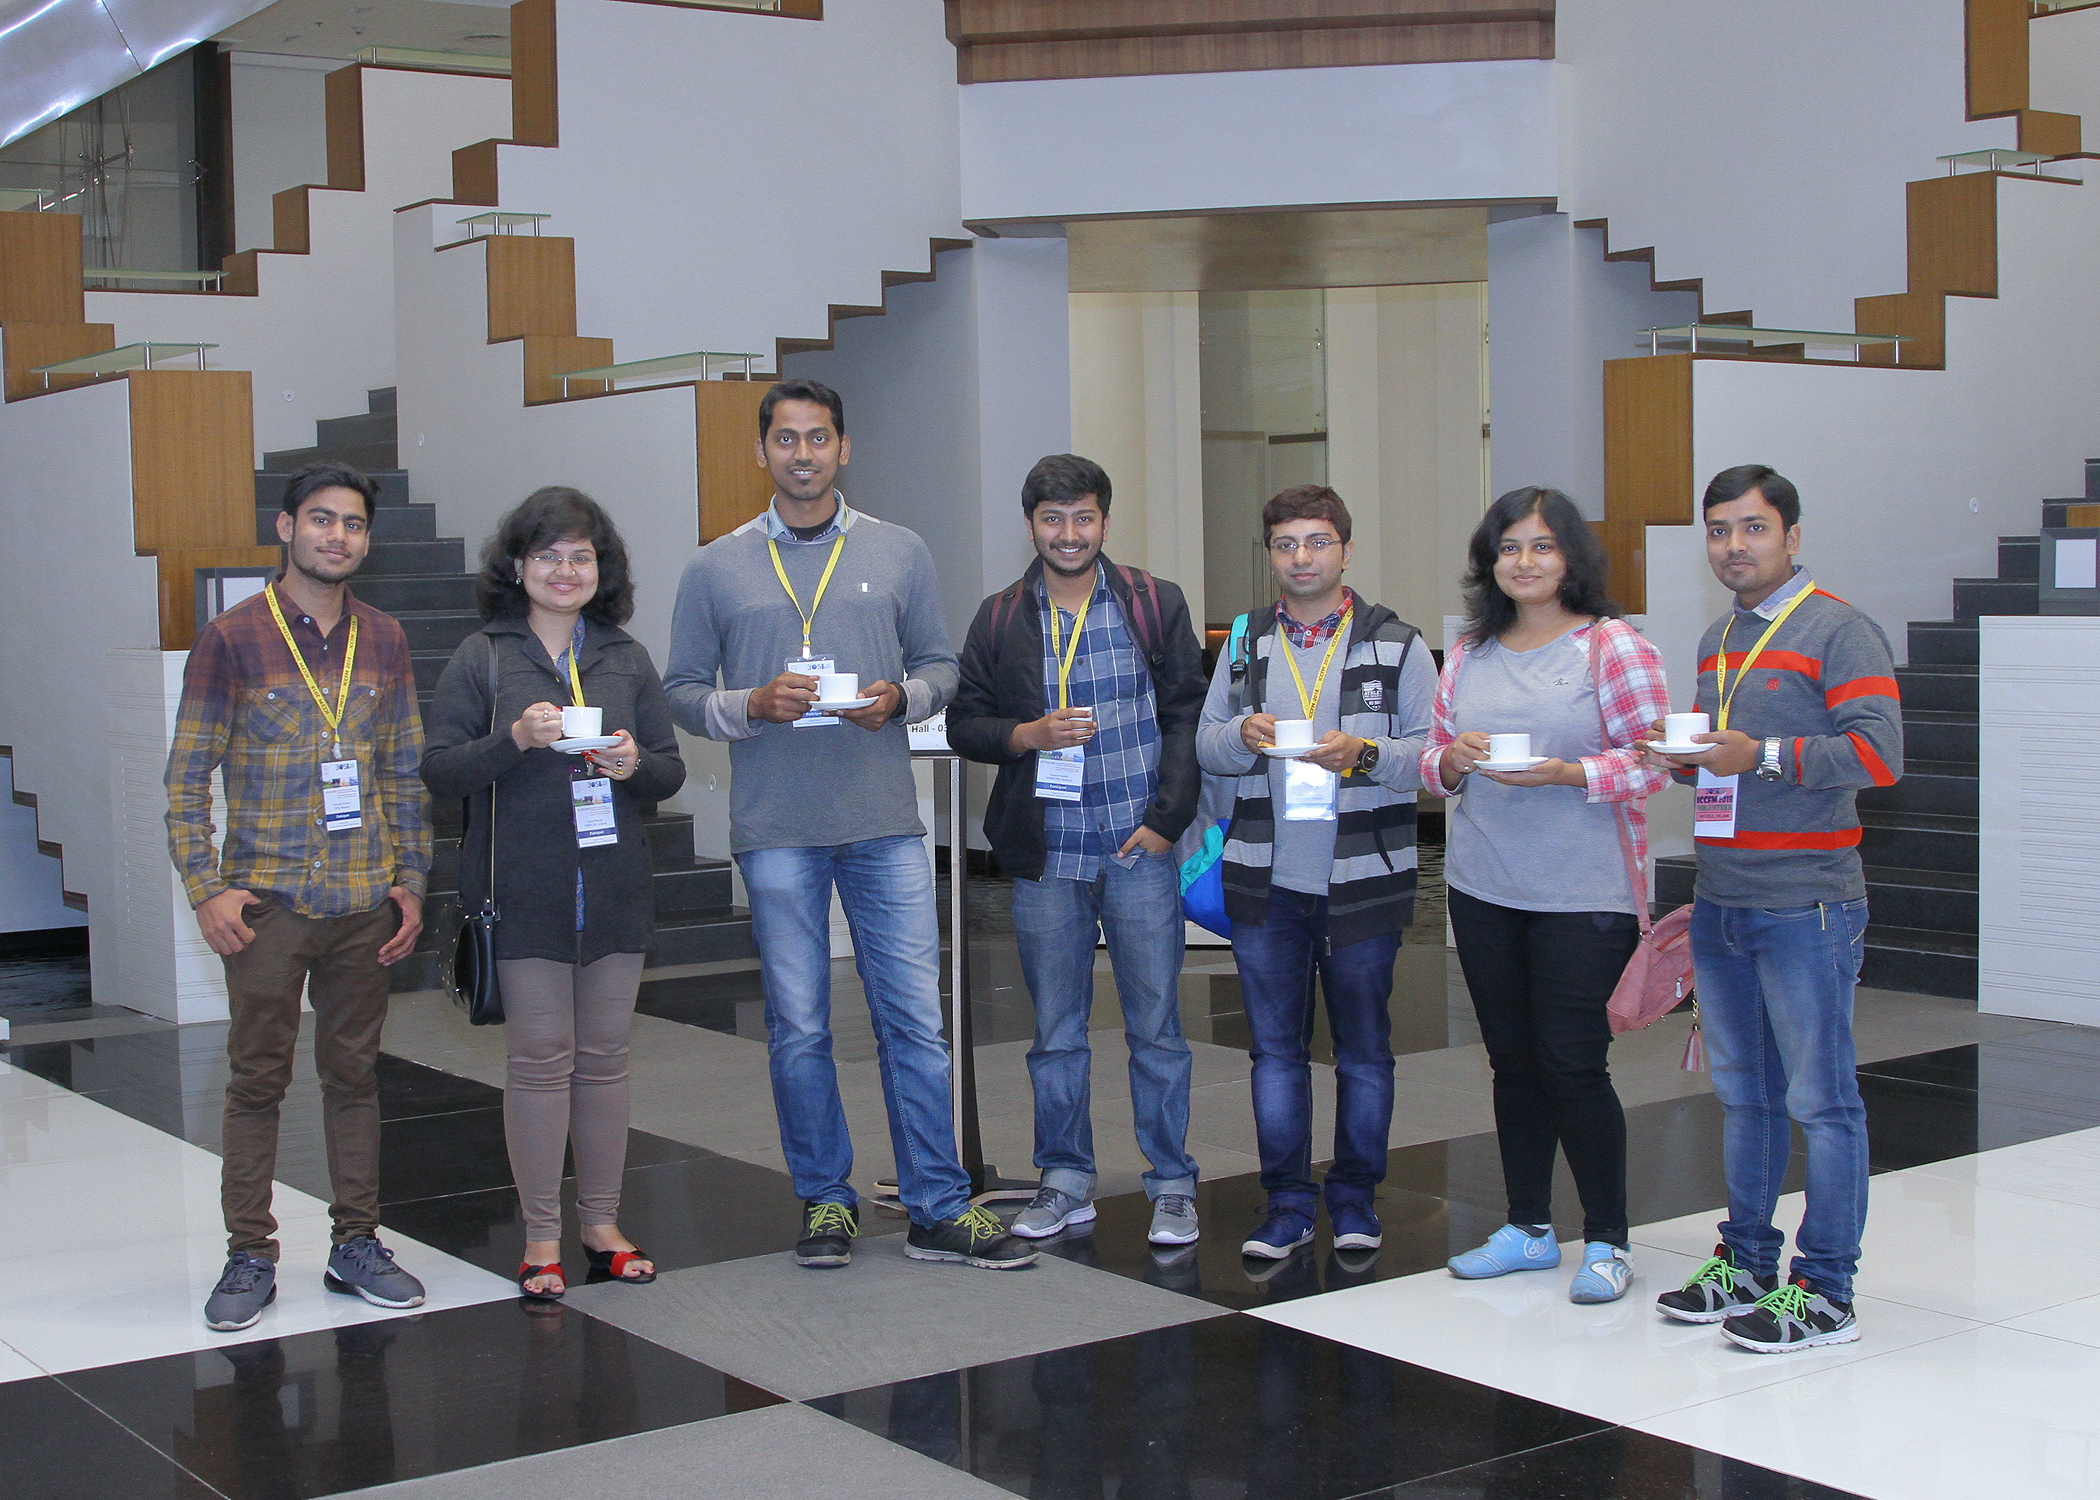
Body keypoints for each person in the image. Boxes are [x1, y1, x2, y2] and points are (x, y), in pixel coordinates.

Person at [663, 377, 1035, 1272]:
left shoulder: (899, 551)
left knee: (914, 1021)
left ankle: (938, 1203)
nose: (803, 454)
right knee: (799, 1027)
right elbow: (679, 691)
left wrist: (901, 699)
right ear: (762, 451)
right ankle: (825, 1199)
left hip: (882, 822)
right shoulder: (715, 566)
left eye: (819, 437)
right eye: (786, 439)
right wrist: (750, 705)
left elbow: (941, 665)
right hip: (775, 828)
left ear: (843, 447)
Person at [167, 461, 431, 1332]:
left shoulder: (384, 639)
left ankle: (357, 1244)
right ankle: (250, 1254)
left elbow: (403, 772)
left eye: (352, 524)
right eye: (321, 520)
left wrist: (411, 882)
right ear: (285, 528)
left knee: (354, 1077)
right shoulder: (232, 638)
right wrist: (207, 889)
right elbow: (185, 779)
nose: (336, 537)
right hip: (268, 908)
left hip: (363, 904)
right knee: (257, 1081)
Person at [1648, 464, 1901, 1352]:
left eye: (1753, 528)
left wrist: (1757, 754)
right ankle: (1748, 1263)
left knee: (1822, 1103)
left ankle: (1827, 1290)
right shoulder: (1718, 638)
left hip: (1806, 904)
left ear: (1791, 536)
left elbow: (1879, 755)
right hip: (1723, 900)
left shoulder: (1841, 629)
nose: (1734, 546)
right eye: (1719, 530)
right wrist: (1685, 760)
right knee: (1744, 1097)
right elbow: (1724, 763)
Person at [422, 487, 685, 1300]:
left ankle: (601, 1224)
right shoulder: (484, 656)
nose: (565, 571)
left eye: (581, 556)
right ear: (516, 566)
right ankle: (541, 1236)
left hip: (612, 891)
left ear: (601, 568)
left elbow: (669, 770)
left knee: (604, 1061)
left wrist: (633, 764)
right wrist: (514, 739)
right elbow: (439, 770)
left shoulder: (625, 657)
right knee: (539, 1060)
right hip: (520, 893)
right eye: (547, 556)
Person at [947, 454, 1207, 1246]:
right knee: (1056, 1033)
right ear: (1031, 525)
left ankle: (1172, 1184)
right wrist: (1027, 734)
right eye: (1053, 519)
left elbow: (1187, 714)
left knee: (1156, 1028)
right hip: (1048, 856)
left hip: (1138, 848)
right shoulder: (1001, 616)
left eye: (1083, 517)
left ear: (1104, 521)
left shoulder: (1153, 602)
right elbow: (965, 723)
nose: (1069, 533)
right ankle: (1065, 1179)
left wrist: (1167, 820)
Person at [1420, 487, 1670, 1304]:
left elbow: (1654, 762)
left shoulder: (1613, 647)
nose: (1524, 562)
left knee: (1572, 1063)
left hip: (1584, 892)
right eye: (1509, 548)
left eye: (1542, 546)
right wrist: (1452, 760)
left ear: (1571, 558)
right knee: (1512, 1063)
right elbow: (1433, 759)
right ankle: (1527, 1226)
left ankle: (1607, 1238)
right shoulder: (1470, 650)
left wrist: (1569, 773)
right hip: (1484, 886)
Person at [1194, 484, 1437, 1261]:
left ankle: (1356, 1198)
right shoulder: (1243, 642)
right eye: (1286, 544)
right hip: (1264, 881)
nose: (1302, 557)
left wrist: (1363, 754)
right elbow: (1206, 745)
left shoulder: (1397, 644)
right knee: (1274, 1053)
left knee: (1364, 1051)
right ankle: (1288, 1203)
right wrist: (1241, 734)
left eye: (1318, 542)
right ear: (1270, 554)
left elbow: (1431, 759)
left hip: (1365, 879)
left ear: (1346, 550)